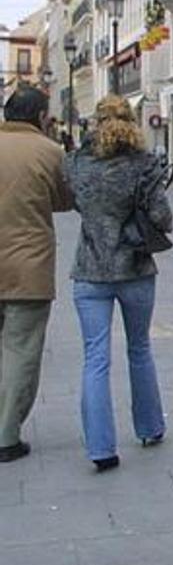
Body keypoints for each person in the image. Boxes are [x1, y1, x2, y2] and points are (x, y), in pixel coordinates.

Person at [63, 95, 172, 472]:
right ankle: (150, 426)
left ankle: (100, 448)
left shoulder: (77, 162)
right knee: (140, 348)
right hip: (136, 268)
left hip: (91, 268)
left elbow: (75, 203)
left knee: (95, 358)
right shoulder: (144, 165)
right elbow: (161, 216)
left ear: (96, 122)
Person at [0, 86, 73, 463]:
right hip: (28, 266)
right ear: (42, 117)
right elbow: (65, 200)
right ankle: (6, 435)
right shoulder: (50, 152)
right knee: (20, 351)